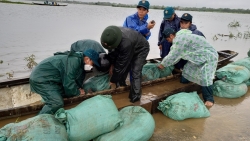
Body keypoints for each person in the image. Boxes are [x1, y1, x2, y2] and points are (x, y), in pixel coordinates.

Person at [158, 28, 218, 107]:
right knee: (186, 71)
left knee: (205, 77)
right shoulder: (180, 34)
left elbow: (173, 56)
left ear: (172, 36)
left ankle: (209, 99)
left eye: (167, 39)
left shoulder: (179, 41)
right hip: (197, 56)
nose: (167, 41)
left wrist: (163, 64)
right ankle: (185, 83)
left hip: (209, 56)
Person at [29, 49, 100, 114]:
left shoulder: (79, 61)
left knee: (64, 94)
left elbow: (76, 79)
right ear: (87, 59)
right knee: (56, 103)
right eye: (92, 63)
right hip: (41, 79)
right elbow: (68, 84)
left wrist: (78, 89)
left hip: (50, 79)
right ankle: (39, 120)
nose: (92, 66)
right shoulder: (74, 61)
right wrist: (78, 92)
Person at [100, 26, 150, 103]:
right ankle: (121, 85)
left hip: (141, 49)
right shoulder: (110, 37)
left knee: (135, 71)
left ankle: (136, 96)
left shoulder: (126, 43)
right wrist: (112, 65)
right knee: (124, 66)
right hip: (129, 46)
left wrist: (113, 80)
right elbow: (112, 53)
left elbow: (121, 64)